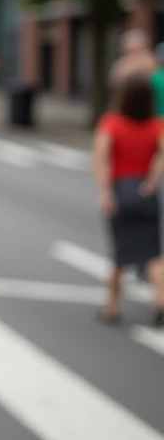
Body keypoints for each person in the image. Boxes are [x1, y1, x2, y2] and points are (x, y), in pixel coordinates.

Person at [93, 75, 164, 326]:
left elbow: (101, 158)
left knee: (120, 256)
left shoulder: (111, 123)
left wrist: (106, 192)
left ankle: (112, 307)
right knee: (153, 254)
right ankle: (160, 301)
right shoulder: (157, 125)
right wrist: (152, 182)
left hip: (121, 190)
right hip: (146, 193)